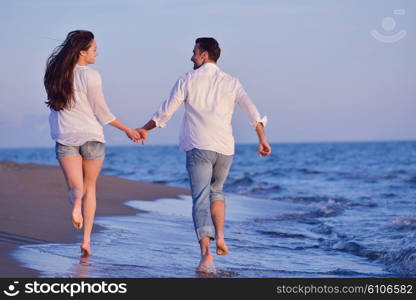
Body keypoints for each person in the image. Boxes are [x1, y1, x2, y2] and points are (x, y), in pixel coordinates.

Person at [136, 37, 271, 272]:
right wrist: (262, 138)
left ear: (204, 54)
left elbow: (164, 113)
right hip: (225, 148)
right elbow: (252, 109)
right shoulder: (232, 82)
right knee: (216, 192)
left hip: (199, 146)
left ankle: (206, 255)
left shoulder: (187, 80)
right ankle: (220, 236)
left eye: (194, 52)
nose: (191, 57)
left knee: (200, 198)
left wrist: (143, 130)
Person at [44, 30, 141, 258]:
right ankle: (86, 241)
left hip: (65, 136)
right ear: (82, 52)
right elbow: (102, 112)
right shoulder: (91, 76)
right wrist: (128, 129)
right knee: (91, 188)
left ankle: (76, 203)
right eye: (94, 49)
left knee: (76, 189)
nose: (98, 53)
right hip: (92, 137)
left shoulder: (55, 75)